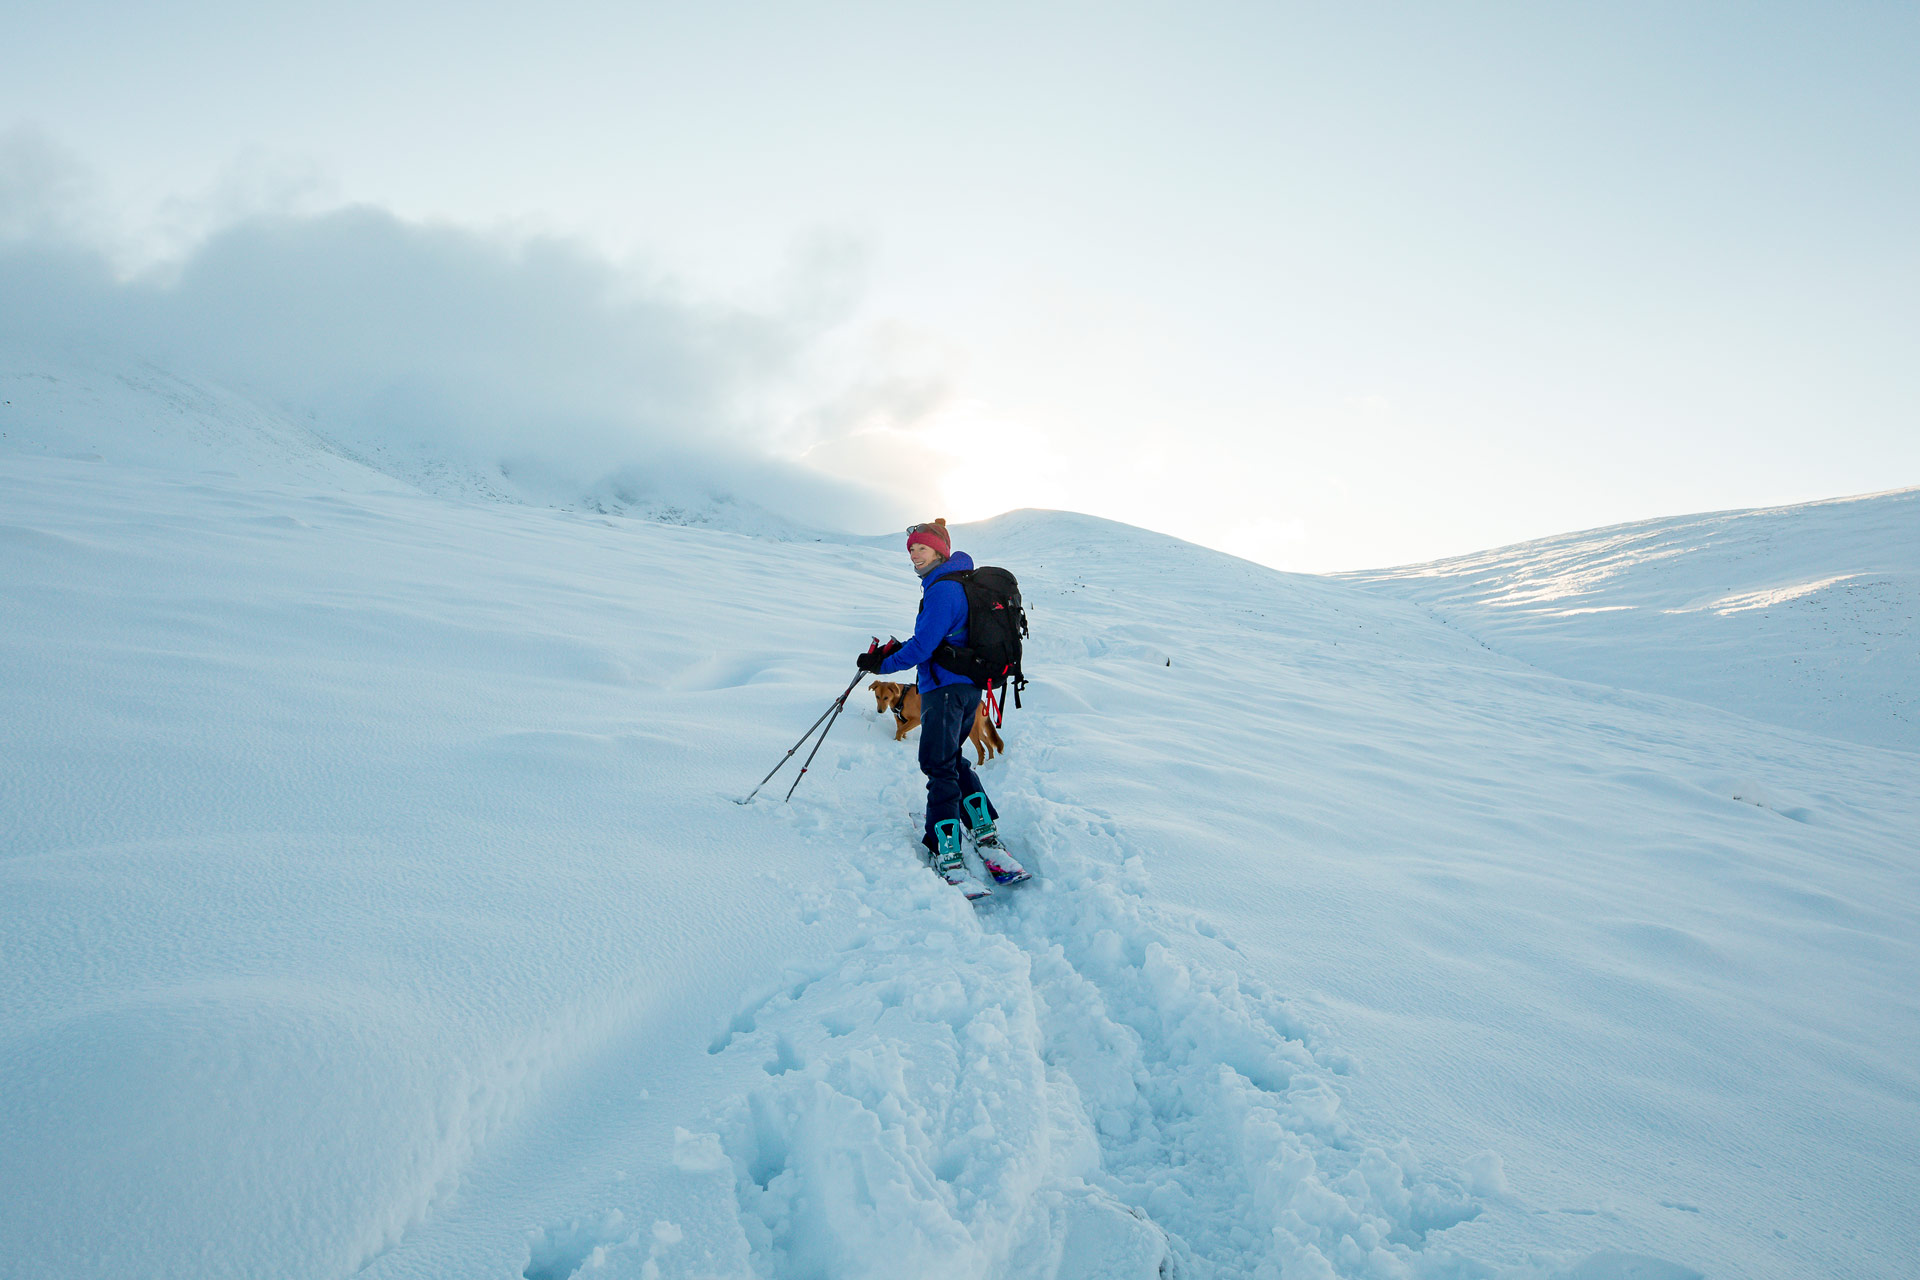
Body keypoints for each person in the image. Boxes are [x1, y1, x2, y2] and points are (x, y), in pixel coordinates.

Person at [857, 519, 1029, 896]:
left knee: (938, 764)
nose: (914, 555)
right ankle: (982, 828)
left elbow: (922, 649)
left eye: (921, 548)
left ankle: (946, 848)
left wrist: (880, 664)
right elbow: (939, 638)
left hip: (945, 690)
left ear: (940, 551)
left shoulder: (942, 591)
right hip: (968, 689)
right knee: (951, 760)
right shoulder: (960, 586)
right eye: (912, 550)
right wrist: (894, 649)